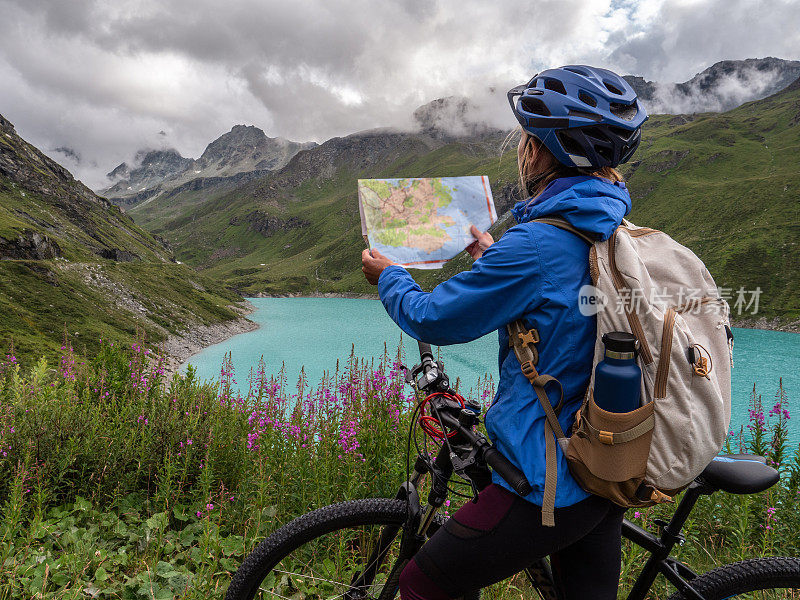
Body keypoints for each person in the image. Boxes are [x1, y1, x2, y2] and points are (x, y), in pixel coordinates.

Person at [361, 65, 647, 600]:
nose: (522, 148)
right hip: (604, 463)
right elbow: (561, 303)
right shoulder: (606, 226)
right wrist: (496, 260)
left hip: (548, 476)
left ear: (540, 152)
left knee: (425, 582)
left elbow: (431, 318)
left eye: (526, 138)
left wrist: (390, 276)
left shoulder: (536, 244)